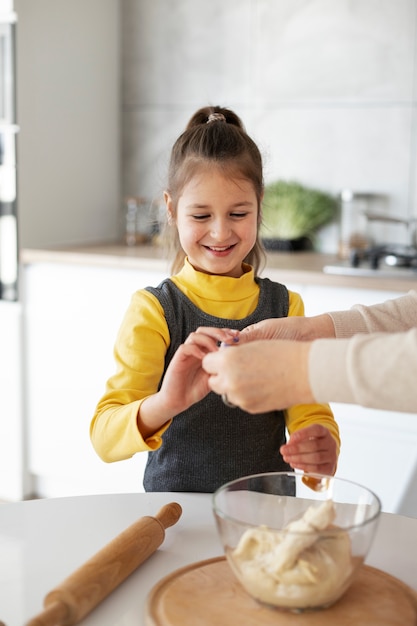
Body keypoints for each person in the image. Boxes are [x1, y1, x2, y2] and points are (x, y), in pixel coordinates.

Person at [90, 105, 340, 491]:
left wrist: (321, 442)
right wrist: (168, 403)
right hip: (177, 517)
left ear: (259, 204)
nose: (221, 233)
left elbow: (309, 410)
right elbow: (105, 437)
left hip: (265, 515)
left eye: (238, 213)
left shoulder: (286, 307)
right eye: (202, 216)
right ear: (171, 209)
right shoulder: (155, 310)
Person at [202, 290, 417, 423]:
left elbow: (310, 412)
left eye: (238, 213)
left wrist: (300, 369)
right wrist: (310, 332)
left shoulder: (285, 301)